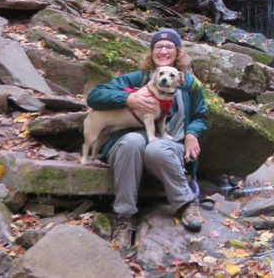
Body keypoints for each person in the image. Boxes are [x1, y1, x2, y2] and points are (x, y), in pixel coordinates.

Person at [85, 28, 208, 250]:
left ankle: (186, 203)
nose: (163, 50)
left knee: (157, 149)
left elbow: (200, 116)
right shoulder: (138, 78)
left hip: (171, 144)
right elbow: (95, 96)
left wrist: (192, 133)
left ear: (177, 52)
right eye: (158, 47)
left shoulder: (190, 84)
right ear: (151, 52)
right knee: (133, 142)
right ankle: (124, 218)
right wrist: (127, 98)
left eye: (169, 47)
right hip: (128, 142)